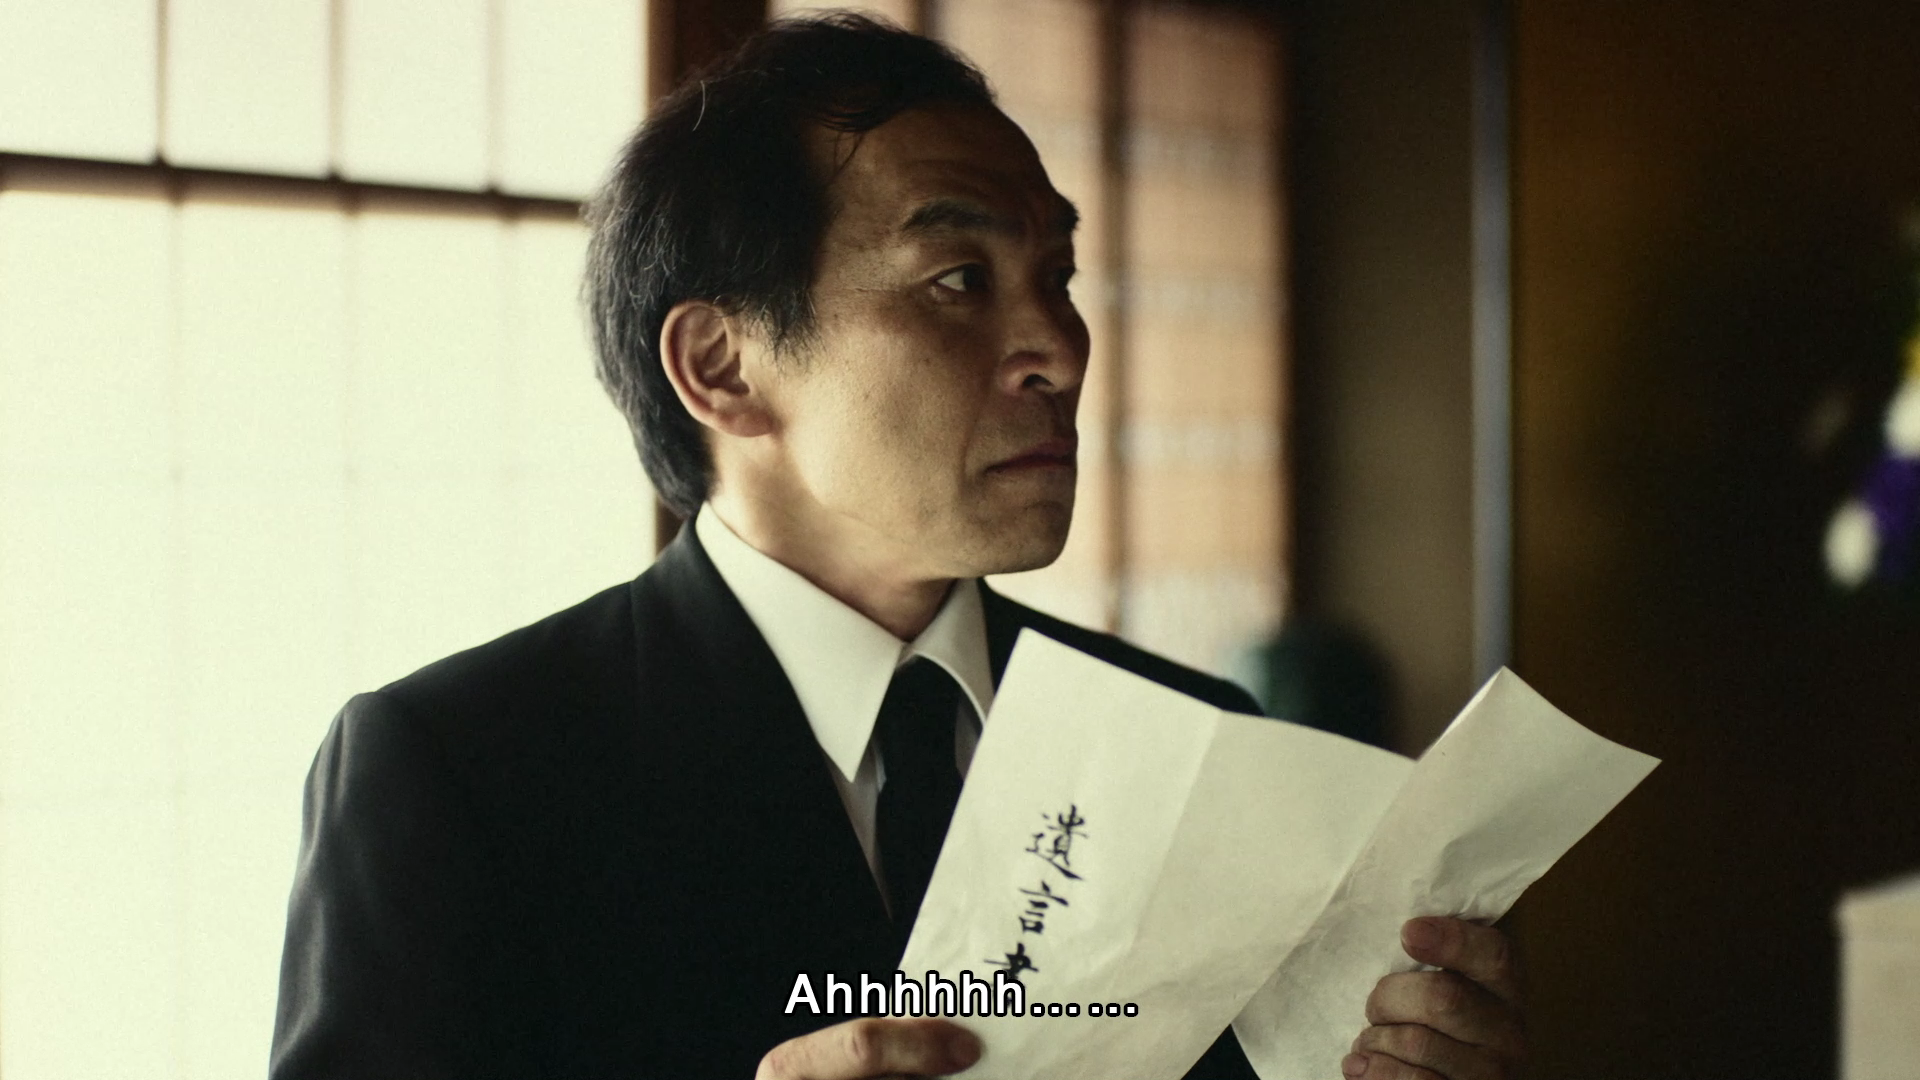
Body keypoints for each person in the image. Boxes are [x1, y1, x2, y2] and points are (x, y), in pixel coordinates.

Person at [269, 13, 1526, 1080]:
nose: (1059, 350)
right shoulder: (464, 775)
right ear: (722, 365)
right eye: (957, 280)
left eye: (1058, 276)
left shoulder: (1194, 742)